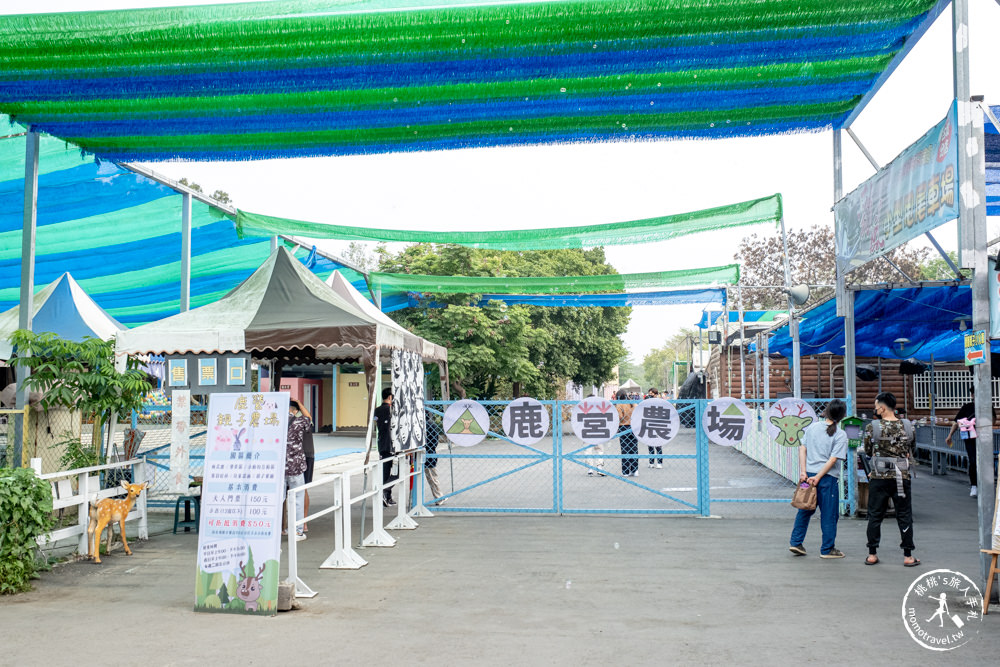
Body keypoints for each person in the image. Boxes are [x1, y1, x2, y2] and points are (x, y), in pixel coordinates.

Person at [863, 392, 918, 567]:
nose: (875, 408)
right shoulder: (908, 426)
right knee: (904, 515)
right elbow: (911, 449)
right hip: (901, 477)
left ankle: (872, 554)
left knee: (875, 515)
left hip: (879, 476)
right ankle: (908, 556)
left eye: (876, 405)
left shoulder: (873, 427)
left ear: (883, 407)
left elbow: (867, 449)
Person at [788, 398, 848, 559]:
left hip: (808, 476)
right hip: (827, 478)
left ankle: (795, 542)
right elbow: (833, 459)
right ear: (842, 415)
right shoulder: (840, 435)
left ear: (826, 411)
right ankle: (827, 549)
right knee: (829, 514)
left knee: (805, 508)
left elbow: (802, 448)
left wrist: (803, 472)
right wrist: (819, 477)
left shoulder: (813, 427)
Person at [946, 386, 995, 498]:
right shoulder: (967, 407)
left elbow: (993, 419)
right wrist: (950, 435)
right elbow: (956, 422)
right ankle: (974, 486)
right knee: (973, 461)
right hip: (970, 438)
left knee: (986, 462)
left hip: (985, 438)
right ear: (972, 395)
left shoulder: (988, 406)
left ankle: (986, 485)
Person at [284, 399, 310, 541]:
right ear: (294, 410)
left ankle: (275, 530)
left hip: (278, 468)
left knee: (278, 499)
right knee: (298, 498)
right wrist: (300, 403)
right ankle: (297, 531)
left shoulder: (274, 422)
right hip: (296, 467)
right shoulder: (298, 422)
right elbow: (309, 418)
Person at [293, 399, 315, 532]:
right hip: (298, 456)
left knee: (303, 489)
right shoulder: (293, 421)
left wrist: (299, 402)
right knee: (300, 490)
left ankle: (303, 522)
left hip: (305, 455)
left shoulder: (301, 421)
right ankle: (298, 523)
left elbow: (308, 417)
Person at [374, 388, 397, 506]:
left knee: (385, 471)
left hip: (381, 443)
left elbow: (376, 423)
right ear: (390, 397)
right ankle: (385, 492)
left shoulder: (376, 411)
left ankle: (387, 497)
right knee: (398, 473)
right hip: (393, 445)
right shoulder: (392, 410)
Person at [616, 389, 638, 477]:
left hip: (623, 427)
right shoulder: (633, 404)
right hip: (633, 427)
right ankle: (635, 470)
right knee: (634, 449)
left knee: (625, 449)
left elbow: (620, 417)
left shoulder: (619, 405)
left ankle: (626, 471)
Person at [424, 428, 445, 505]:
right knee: (432, 478)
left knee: (431, 477)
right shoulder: (432, 426)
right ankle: (439, 497)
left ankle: (439, 496)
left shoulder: (423, 425)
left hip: (426, 454)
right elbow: (435, 442)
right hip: (430, 454)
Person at [645, 387, 663, 468]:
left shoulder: (660, 402)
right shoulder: (647, 402)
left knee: (658, 445)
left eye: (651, 394)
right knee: (650, 445)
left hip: (658, 426)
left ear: (656, 394)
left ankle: (659, 463)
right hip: (649, 426)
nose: (650, 395)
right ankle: (651, 462)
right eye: (649, 394)